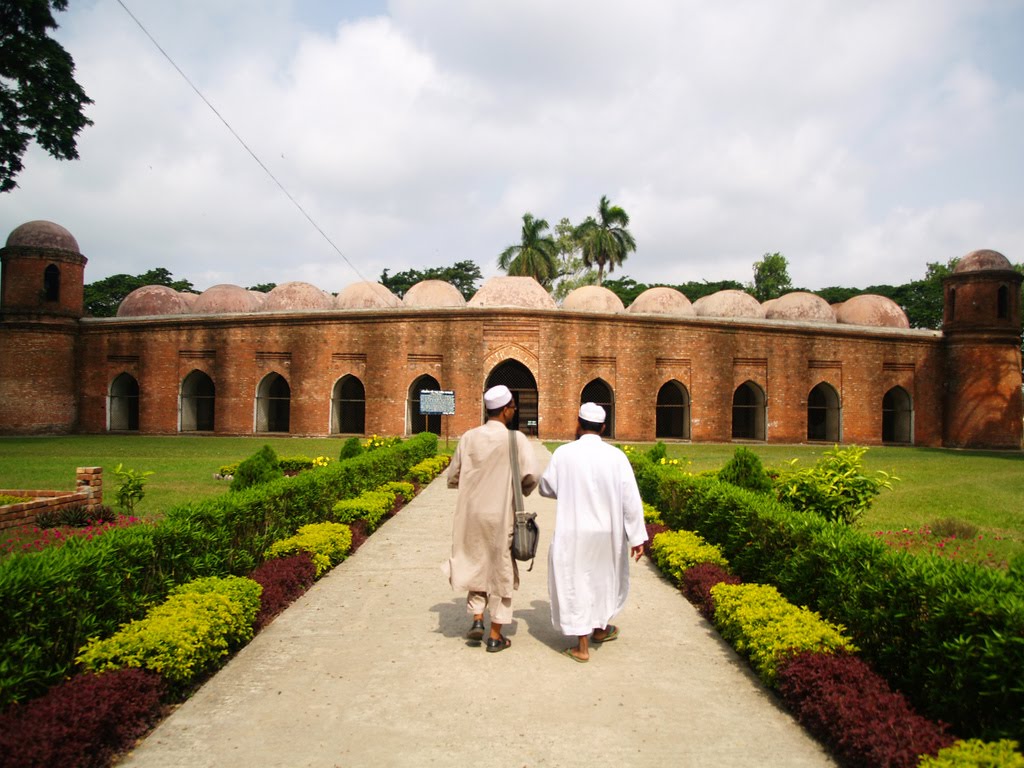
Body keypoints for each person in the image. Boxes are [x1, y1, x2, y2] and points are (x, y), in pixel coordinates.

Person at [539, 402, 647, 662]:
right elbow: (630, 499)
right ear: (603, 427)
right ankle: (600, 628)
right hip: (606, 533)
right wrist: (637, 536)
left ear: (578, 424)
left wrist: (569, 489)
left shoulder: (564, 454)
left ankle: (582, 646)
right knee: (601, 579)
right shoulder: (616, 456)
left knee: (575, 581)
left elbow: (545, 488)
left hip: (574, 530)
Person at [443, 384, 538, 652]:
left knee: (475, 561)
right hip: (501, 514)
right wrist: (520, 489)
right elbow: (531, 476)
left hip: (471, 514)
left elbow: (453, 476)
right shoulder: (515, 439)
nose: (514, 411)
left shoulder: (468, 437)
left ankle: (476, 618)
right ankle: (496, 634)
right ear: (506, 410)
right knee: (500, 568)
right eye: (513, 408)